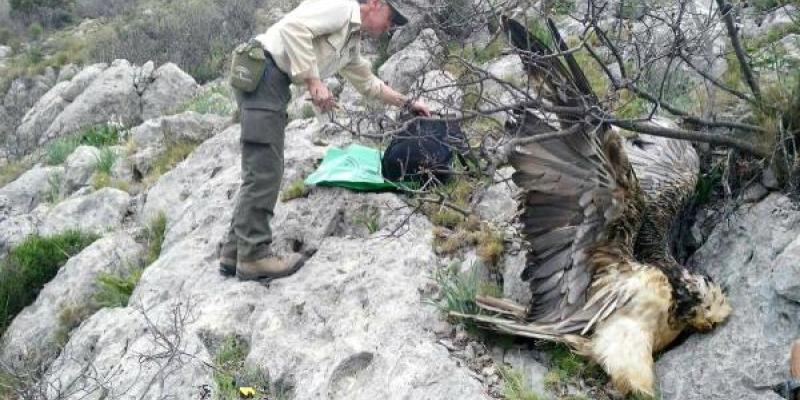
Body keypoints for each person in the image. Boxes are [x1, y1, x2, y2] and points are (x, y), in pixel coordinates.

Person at [219, 0, 431, 280]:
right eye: (391, 19)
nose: (390, 27)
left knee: (263, 166)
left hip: (271, 80)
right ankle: (254, 256)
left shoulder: (350, 41)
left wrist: (407, 103)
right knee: (265, 169)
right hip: (264, 72)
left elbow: (368, 83)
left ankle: (234, 251)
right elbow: (294, 28)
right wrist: (313, 81)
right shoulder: (341, 7)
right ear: (376, 4)